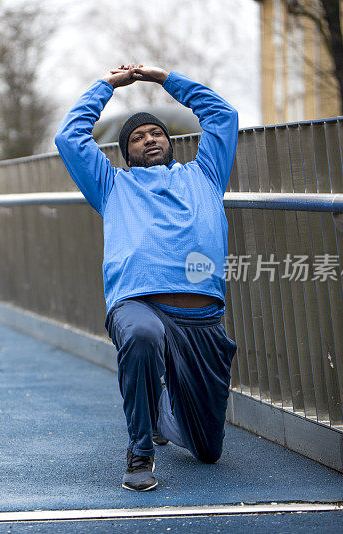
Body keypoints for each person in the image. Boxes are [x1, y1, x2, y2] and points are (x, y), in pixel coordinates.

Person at [54, 64, 239, 492]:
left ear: (170, 142)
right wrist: (106, 87)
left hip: (201, 320)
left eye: (155, 133)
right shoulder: (111, 185)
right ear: (125, 153)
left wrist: (164, 79)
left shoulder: (206, 175)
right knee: (140, 335)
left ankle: (158, 413)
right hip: (138, 304)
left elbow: (222, 116)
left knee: (208, 450)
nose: (148, 139)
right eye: (136, 137)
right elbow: (69, 138)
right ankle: (140, 451)